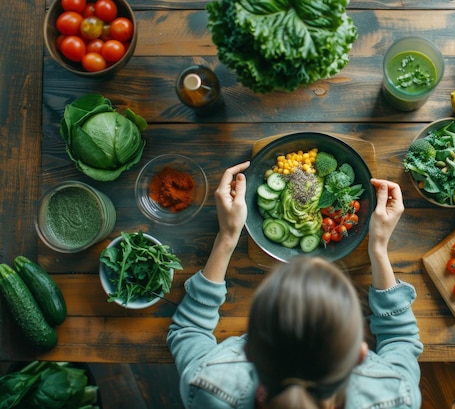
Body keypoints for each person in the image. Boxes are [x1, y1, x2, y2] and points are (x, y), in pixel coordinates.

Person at [167, 161, 423, 409]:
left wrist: (226, 237)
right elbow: (400, 339)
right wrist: (378, 248)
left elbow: (189, 331)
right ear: (360, 354)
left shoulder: (206, 387)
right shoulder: (397, 396)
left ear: (250, 351)